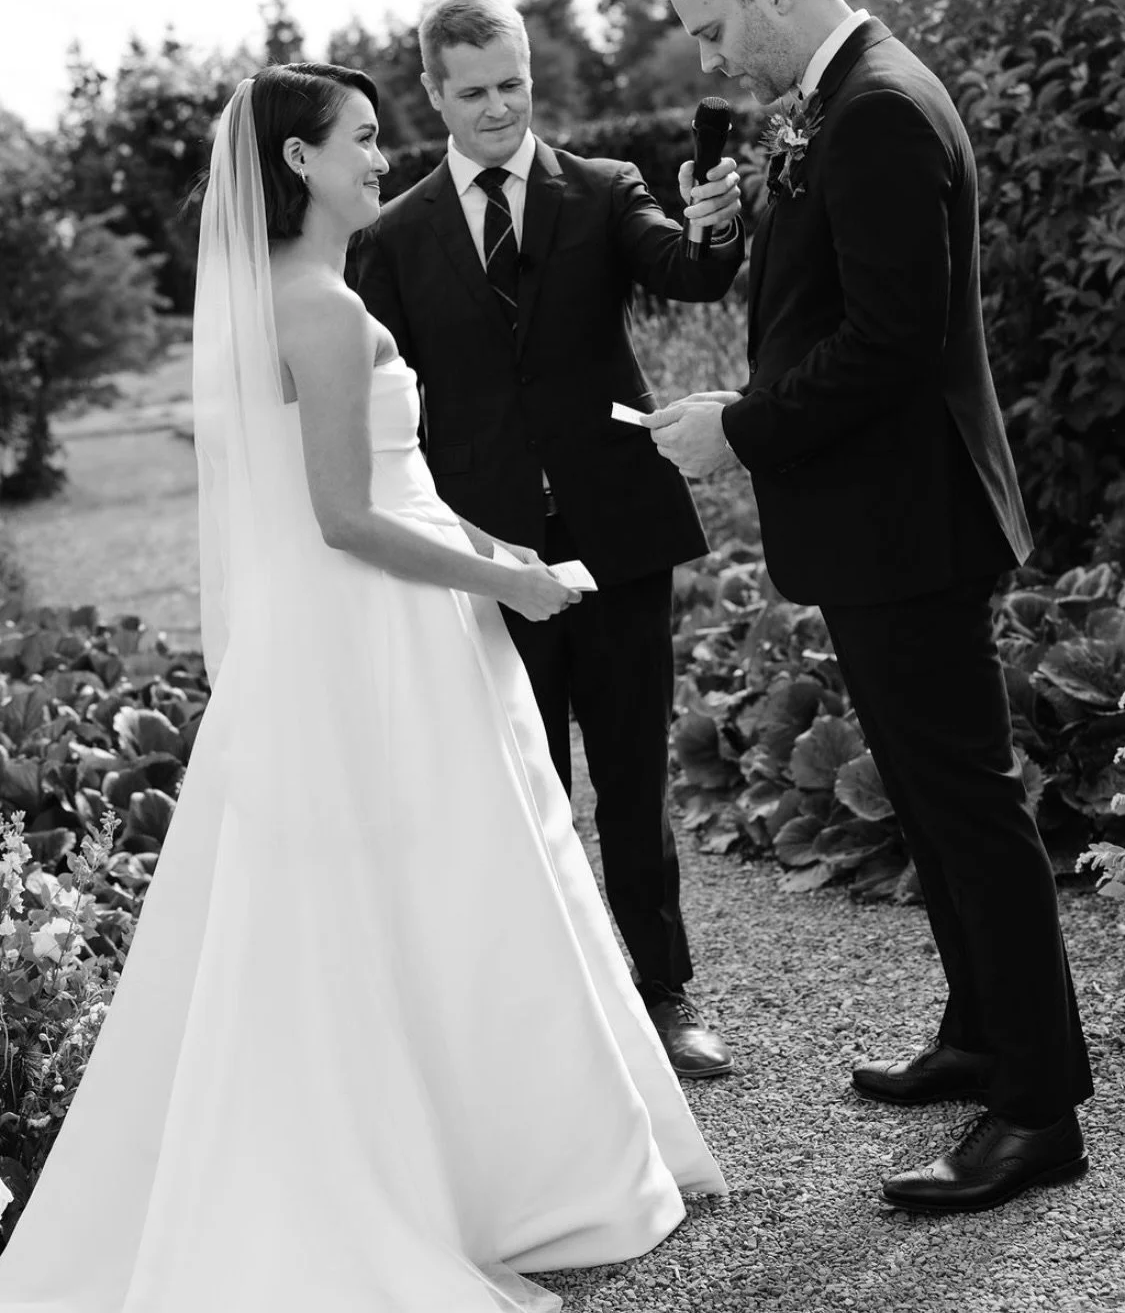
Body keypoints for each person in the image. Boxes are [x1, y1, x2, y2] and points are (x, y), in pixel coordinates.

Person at [0, 64, 728, 1313]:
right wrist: (507, 585)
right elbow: (345, 515)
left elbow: (404, 488)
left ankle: (482, 1160)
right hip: (372, 629)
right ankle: (472, 1177)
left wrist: (501, 553)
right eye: (361, 138)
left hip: (379, 618)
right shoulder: (322, 311)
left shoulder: (298, 296)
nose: (383, 158)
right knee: (438, 880)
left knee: (419, 884)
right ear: (298, 161)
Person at [648, 0, 1093, 1212]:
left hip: (912, 524)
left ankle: (1038, 1112)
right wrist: (739, 230)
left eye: (714, 25)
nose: (711, 55)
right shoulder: (841, 102)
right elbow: (823, 298)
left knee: (970, 810)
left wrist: (740, 429)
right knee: (930, 793)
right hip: (881, 523)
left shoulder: (880, 108)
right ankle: (980, 1035)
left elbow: (890, 344)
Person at [354, 0, 741, 1079]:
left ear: (531, 76)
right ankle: (551, 1014)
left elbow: (694, 271)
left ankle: (664, 993)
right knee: (523, 787)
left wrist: (715, 220)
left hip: (620, 537)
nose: (497, 108)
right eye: (473, 91)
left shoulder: (605, 189)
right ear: (433, 95)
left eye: (512, 85)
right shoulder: (392, 238)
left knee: (633, 777)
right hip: (489, 558)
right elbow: (387, 404)